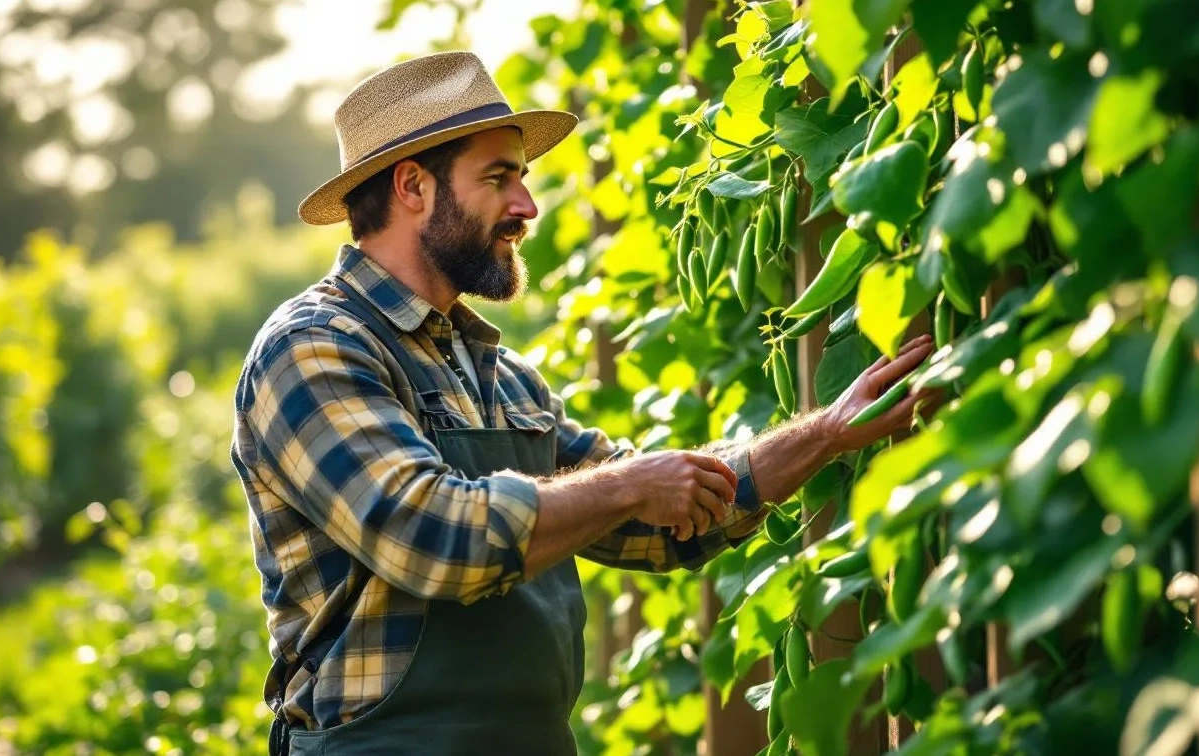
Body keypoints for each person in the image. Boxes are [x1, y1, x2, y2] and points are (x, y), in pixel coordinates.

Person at [230, 51, 936, 756]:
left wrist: (829, 432)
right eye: (498, 179)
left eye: (523, 181)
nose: (526, 208)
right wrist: (631, 485)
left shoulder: (501, 377)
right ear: (413, 186)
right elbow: (431, 538)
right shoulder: (314, 350)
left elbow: (662, 523)